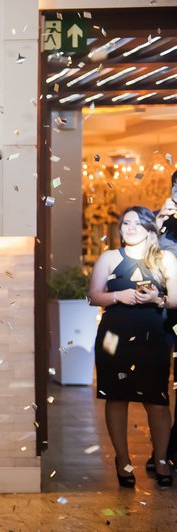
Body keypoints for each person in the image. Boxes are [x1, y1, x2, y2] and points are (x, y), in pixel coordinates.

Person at [89, 206, 177, 488]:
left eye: (137, 224)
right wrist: (119, 296)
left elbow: (175, 299)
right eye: (126, 223)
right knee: (116, 398)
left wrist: (156, 299)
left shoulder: (165, 258)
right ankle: (123, 461)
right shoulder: (109, 258)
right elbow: (93, 296)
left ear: (150, 228)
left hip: (154, 338)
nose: (130, 228)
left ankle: (161, 459)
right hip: (114, 339)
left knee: (157, 400)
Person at [155, 169, 177, 469]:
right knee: (161, 380)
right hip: (163, 312)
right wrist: (159, 222)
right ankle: (163, 449)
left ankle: (170, 449)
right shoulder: (160, 222)